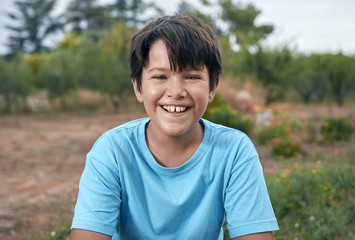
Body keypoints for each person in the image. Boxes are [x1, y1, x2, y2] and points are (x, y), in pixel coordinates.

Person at [70, 15, 279, 240]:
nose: (176, 91)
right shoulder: (112, 151)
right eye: (160, 76)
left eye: (191, 76)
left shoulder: (235, 151)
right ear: (138, 87)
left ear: (213, 86)